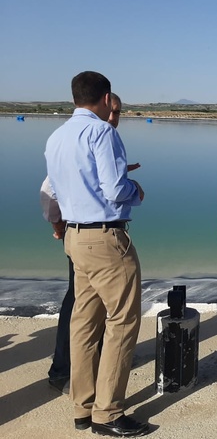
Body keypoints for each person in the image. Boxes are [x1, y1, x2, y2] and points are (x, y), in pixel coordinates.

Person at [45, 72, 149, 437]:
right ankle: (109, 413)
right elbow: (114, 188)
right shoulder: (104, 132)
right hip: (105, 240)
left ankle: (82, 406)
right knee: (122, 322)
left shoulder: (56, 137)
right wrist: (135, 188)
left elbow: (54, 190)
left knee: (83, 324)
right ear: (106, 98)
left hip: (73, 236)